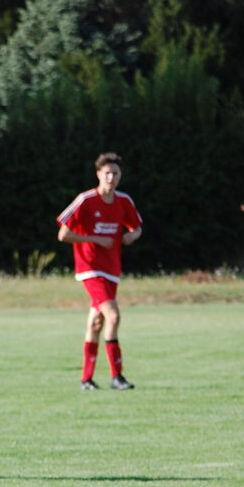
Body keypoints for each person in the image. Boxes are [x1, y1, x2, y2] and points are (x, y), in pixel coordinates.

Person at [56, 152, 143, 391]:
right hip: (90, 269)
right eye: (107, 173)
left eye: (115, 174)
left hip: (112, 269)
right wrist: (95, 238)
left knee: (96, 322)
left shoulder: (124, 201)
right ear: (98, 175)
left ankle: (86, 380)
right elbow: (63, 234)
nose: (111, 178)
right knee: (113, 316)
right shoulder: (85, 200)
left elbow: (137, 227)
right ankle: (117, 376)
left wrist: (131, 236)